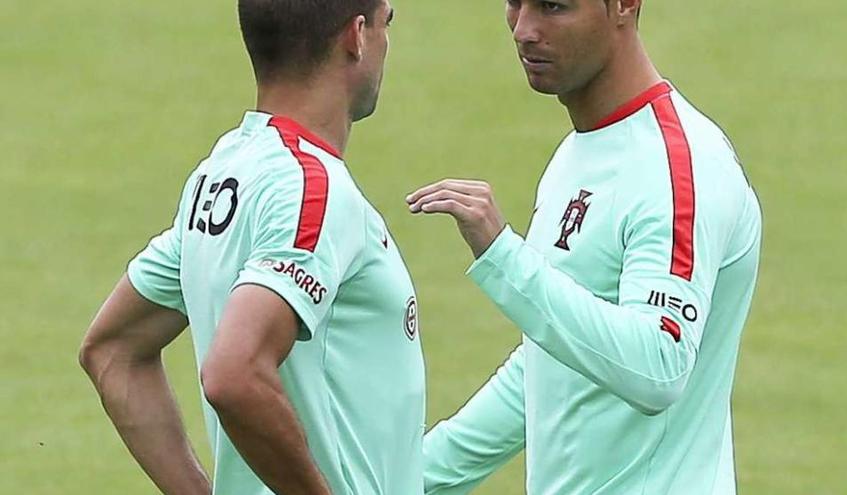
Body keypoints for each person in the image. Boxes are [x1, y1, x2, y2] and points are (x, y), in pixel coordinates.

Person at [408, 0, 761, 493]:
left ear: (624, 5)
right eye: (515, 3)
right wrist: (405, 479)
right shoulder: (580, 152)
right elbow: (550, 363)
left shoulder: (680, 169)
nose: (524, 30)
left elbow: (659, 365)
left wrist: (505, 258)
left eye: (554, 6)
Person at [79, 1, 425, 494]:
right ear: (357, 36)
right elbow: (233, 374)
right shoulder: (312, 189)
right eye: (387, 21)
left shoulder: (222, 173)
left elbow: (114, 349)